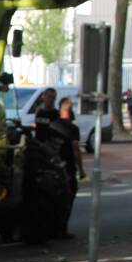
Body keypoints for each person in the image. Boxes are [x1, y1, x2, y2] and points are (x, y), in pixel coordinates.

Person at [51, 97, 86, 238]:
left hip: (53, 167)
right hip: (68, 168)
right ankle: (62, 229)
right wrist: (81, 170)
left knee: (55, 199)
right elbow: (75, 149)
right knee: (68, 198)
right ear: (70, 111)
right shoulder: (73, 128)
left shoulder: (52, 126)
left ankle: (53, 227)